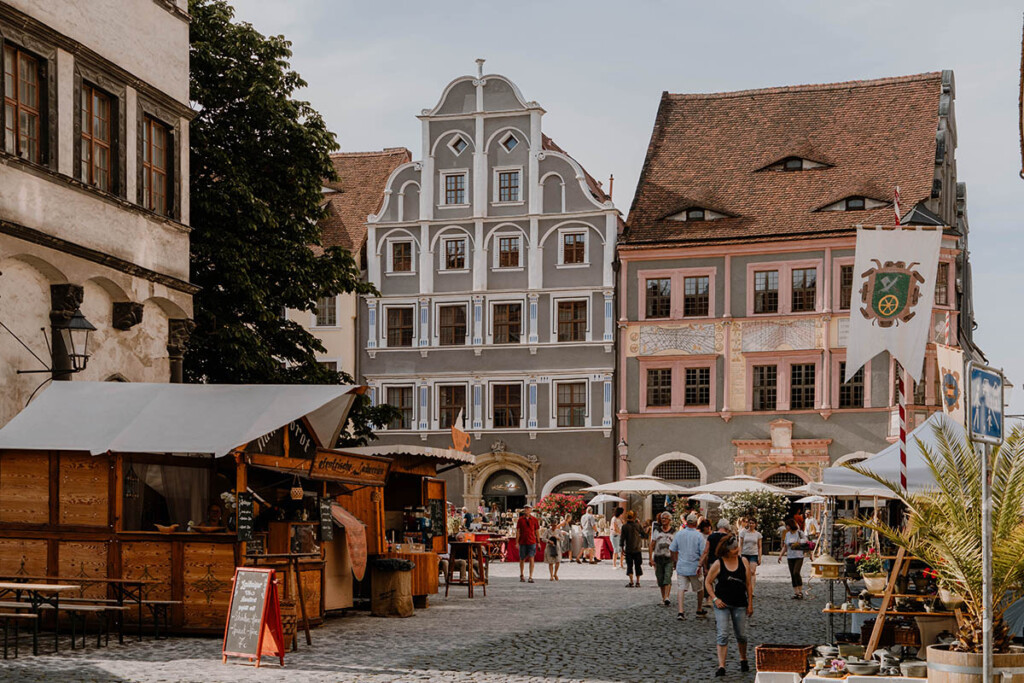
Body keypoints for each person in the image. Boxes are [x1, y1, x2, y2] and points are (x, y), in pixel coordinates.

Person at [705, 534, 753, 677]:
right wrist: (714, 599)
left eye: (737, 547)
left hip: (740, 603)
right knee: (722, 634)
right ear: (726, 550)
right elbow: (708, 582)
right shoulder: (718, 563)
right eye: (733, 549)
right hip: (722, 604)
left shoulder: (743, 561)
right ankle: (721, 666)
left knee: (741, 635)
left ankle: (743, 659)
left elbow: (748, 584)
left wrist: (750, 603)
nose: (737, 550)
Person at [670, 513, 708, 620]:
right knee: (699, 589)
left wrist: (675, 561)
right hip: (695, 567)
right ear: (696, 523)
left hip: (682, 566)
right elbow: (703, 553)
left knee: (681, 588)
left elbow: (672, 549)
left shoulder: (679, 534)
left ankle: (680, 611)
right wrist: (704, 566)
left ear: (686, 522)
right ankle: (699, 609)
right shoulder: (699, 536)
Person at [777, 516, 808, 599]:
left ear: (790, 525)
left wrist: (798, 543)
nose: (786, 527)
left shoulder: (799, 533)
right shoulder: (787, 534)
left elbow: (806, 541)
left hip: (799, 556)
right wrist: (780, 555)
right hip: (790, 556)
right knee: (792, 574)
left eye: (787, 525)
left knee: (796, 572)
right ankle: (796, 592)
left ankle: (800, 590)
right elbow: (785, 546)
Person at [649, 511, 675, 605]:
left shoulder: (674, 532)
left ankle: (667, 597)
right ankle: (663, 597)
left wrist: (676, 559)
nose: (663, 520)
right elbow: (652, 544)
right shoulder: (656, 531)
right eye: (662, 518)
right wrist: (650, 558)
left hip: (669, 558)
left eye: (665, 518)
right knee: (660, 579)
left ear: (669, 520)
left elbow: (676, 546)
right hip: (658, 557)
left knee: (667, 577)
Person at [620, 510, 644, 587]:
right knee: (638, 565)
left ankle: (631, 581)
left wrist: (622, 548)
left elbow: (622, 538)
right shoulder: (638, 525)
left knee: (629, 565)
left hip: (629, 548)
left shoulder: (624, 526)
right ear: (634, 517)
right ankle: (638, 582)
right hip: (637, 548)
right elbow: (644, 534)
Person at [517, 506, 540, 583]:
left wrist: (538, 542)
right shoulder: (520, 520)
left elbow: (537, 531)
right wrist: (517, 542)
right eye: (525, 508)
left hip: (532, 541)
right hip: (522, 541)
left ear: (531, 510)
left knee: (531, 558)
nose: (526, 510)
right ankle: (521, 574)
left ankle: (530, 576)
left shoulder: (534, 519)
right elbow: (518, 531)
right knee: (522, 558)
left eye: (528, 508)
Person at [738, 518, 763, 590]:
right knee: (744, 572)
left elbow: (760, 547)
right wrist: (739, 554)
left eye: (753, 523)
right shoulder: (743, 533)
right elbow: (740, 544)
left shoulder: (758, 534)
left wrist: (759, 557)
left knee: (752, 571)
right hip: (744, 554)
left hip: (753, 554)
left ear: (755, 524)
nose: (751, 524)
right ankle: (745, 587)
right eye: (750, 523)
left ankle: (751, 589)